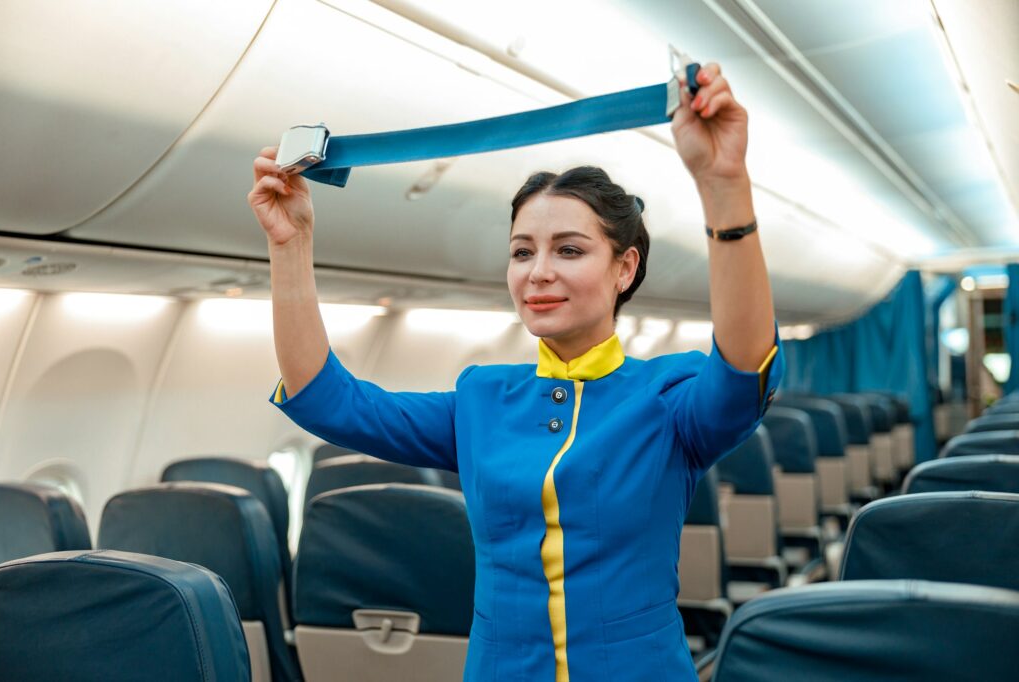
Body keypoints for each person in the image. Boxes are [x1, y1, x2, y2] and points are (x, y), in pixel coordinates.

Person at [249, 63, 782, 681]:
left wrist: (724, 187)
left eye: (570, 250)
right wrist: (290, 247)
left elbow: (745, 365)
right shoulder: (481, 399)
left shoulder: (667, 399)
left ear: (625, 268)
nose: (538, 272)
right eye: (522, 251)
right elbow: (328, 401)